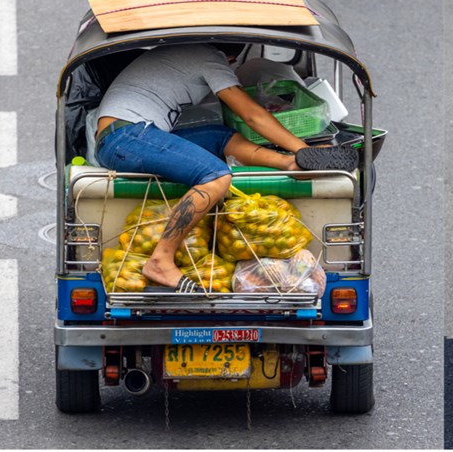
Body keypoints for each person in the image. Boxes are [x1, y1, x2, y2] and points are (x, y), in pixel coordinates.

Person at [94, 43, 357, 291]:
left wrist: (295, 154)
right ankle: (161, 260)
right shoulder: (209, 57)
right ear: (231, 58)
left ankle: (289, 163)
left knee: (222, 137)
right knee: (216, 176)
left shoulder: (183, 53)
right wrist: (302, 147)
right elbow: (251, 114)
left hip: (129, 135)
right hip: (125, 138)